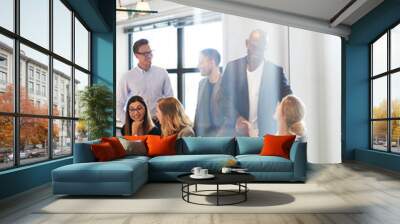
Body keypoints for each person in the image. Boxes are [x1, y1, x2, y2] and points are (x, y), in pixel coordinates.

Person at [220, 29, 292, 137]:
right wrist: (237, 119)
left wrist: (281, 120)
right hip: (236, 135)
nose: (256, 52)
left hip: (266, 136)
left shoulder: (275, 72)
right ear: (247, 44)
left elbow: (289, 100)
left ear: (266, 47)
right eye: (253, 47)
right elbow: (222, 99)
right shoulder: (232, 68)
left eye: (260, 48)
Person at [117, 39, 174, 127]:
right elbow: (119, 104)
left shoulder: (162, 73)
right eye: (144, 54)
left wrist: (168, 120)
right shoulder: (127, 76)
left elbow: (170, 100)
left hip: (159, 123)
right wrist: (128, 123)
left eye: (150, 52)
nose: (149, 56)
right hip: (139, 123)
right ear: (136, 55)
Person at [193, 48, 224, 136]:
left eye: (201, 62)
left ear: (212, 62)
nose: (198, 65)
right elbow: (197, 111)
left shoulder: (226, 84)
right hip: (202, 137)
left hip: (221, 140)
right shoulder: (201, 84)